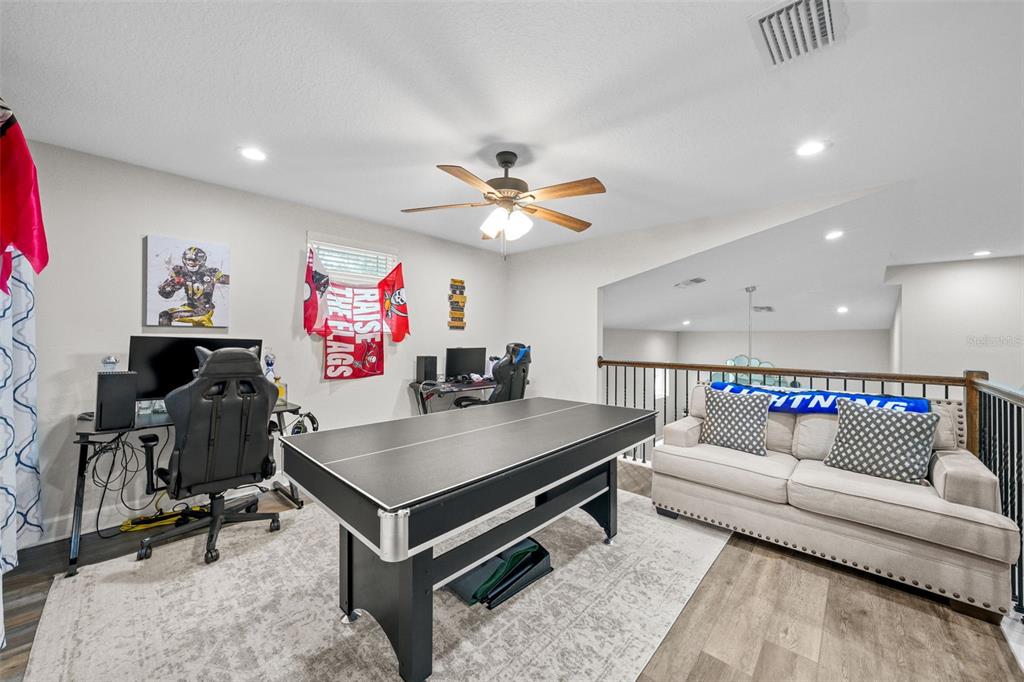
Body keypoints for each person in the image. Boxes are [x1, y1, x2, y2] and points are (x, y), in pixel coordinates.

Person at [156, 246, 229, 327]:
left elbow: (228, 280)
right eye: (188, 260)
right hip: (190, 308)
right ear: (184, 260)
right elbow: (165, 294)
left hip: (203, 310)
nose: (191, 263)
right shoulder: (181, 272)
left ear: (202, 260)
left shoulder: (210, 272)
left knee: (165, 316)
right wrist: (172, 285)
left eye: (194, 260)